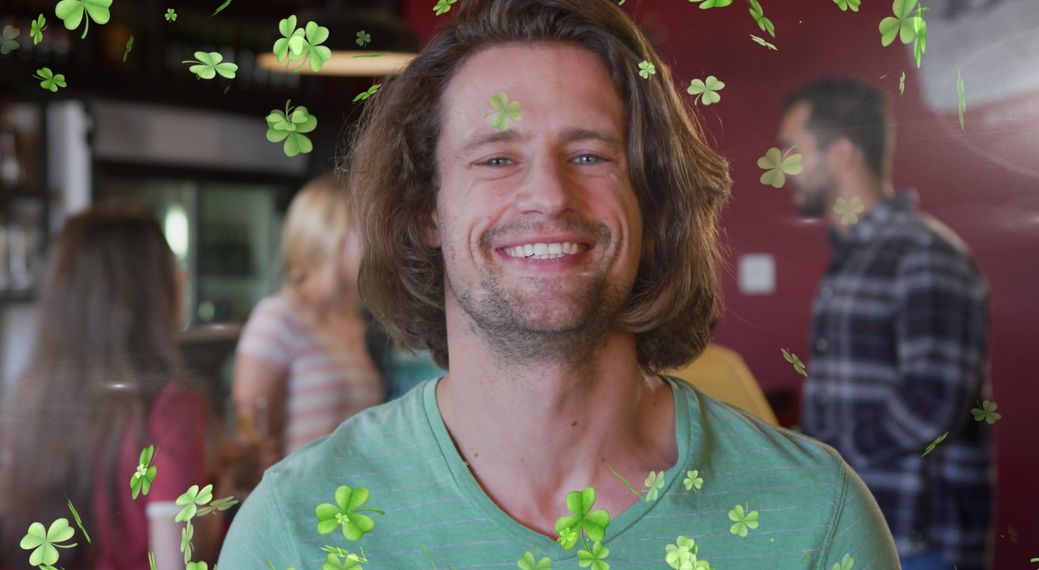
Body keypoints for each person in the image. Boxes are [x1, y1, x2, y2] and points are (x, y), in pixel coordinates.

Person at [220, 2, 900, 568]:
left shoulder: (815, 519)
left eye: (588, 154)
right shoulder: (293, 532)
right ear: (426, 210)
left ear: (651, 199)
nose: (547, 194)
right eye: (496, 157)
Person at [777, 77, 994, 569]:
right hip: (861, 533)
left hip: (918, 547)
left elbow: (931, 406)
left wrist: (817, 460)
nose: (786, 168)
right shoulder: (853, 259)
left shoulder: (925, 255)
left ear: (843, 152)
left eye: (794, 151)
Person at [0, 208, 209, 570]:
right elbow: (175, 563)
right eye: (169, 266)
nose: (183, 277)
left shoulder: (27, 400)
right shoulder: (166, 409)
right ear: (141, 292)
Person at [231, 173, 384, 458]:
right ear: (333, 231)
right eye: (368, 229)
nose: (379, 245)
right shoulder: (278, 316)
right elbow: (248, 435)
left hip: (347, 501)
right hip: (298, 499)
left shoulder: (355, 323)